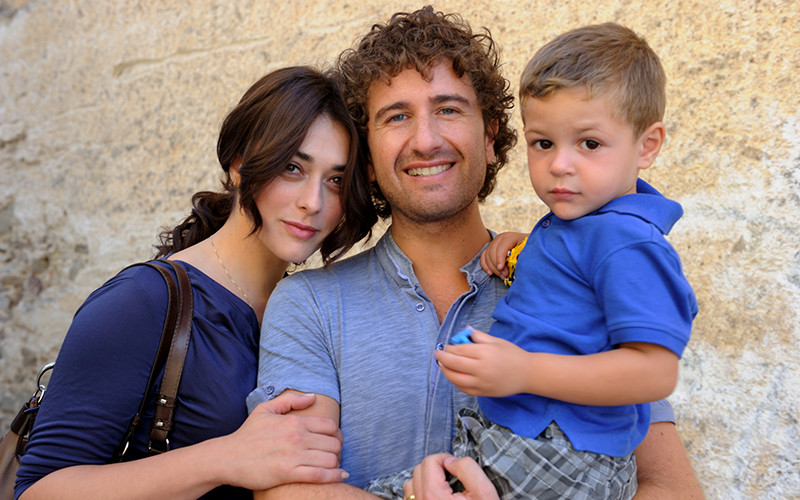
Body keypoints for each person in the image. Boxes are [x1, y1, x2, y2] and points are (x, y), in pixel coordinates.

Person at [247, 7, 704, 500]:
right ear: (369, 159)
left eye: (448, 109)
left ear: (490, 137)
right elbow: (286, 491)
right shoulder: (309, 306)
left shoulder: (574, 275)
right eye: (397, 117)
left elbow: (672, 487)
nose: (425, 140)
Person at [15, 65, 374, 499]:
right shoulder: (143, 301)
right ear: (239, 165)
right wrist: (223, 458)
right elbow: (36, 490)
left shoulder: (309, 310)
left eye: (335, 180)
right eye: (293, 167)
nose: (313, 202)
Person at [382, 22, 699, 499]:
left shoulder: (628, 244)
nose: (560, 165)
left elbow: (655, 372)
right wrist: (525, 251)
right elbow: (574, 289)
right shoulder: (583, 227)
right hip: (531, 438)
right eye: (543, 143)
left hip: (566, 451)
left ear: (647, 145)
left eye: (589, 143)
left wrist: (524, 372)